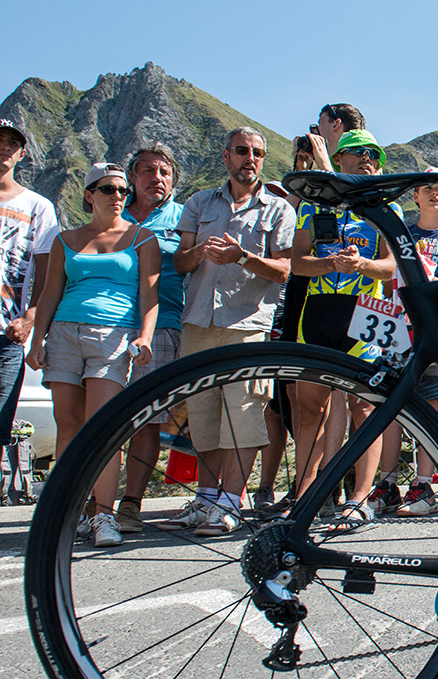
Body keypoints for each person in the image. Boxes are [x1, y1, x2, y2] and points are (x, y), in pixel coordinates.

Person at [162, 127, 296, 536]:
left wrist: (243, 257)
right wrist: (197, 252)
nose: (249, 159)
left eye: (257, 153)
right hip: (198, 323)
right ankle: (205, 499)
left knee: (244, 415)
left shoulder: (278, 210)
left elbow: (285, 270)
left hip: (247, 325)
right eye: (242, 151)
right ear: (226, 156)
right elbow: (180, 264)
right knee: (202, 415)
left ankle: (230, 503)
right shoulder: (199, 202)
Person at [27, 163, 159, 547]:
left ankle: (104, 516)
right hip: (65, 333)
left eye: (122, 190)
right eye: (107, 189)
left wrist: (145, 337)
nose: (117, 196)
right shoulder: (65, 240)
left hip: (113, 335)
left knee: (103, 428)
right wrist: (38, 341)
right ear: (89, 195)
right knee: (67, 426)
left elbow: (148, 295)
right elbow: (49, 293)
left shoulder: (142, 239)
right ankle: (69, 512)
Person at [290, 129, 398, 530]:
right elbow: (298, 263)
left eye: (374, 153)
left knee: (364, 406)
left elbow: (391, 267)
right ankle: (305, 496)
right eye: (357, 152)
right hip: (318, 309)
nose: (367, 158)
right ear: (339, 160)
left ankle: (360, 497)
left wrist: (361, 266)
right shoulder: (313, 207)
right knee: (310, 409)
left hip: (365, 311)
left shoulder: (385, 208)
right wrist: (329, 264)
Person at [364, 168, 438, 516]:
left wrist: (429, 277)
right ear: (414, 195)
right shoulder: (400, 233)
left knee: (430, 408)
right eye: (426, 188)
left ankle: (423, 486)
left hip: (435, 331)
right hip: (396, 329)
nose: (432, 194)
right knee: (391, 408)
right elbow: (384, 283)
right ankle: (387, 483)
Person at [114, 144, 185, 534]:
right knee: (105, 419)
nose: (156, 178)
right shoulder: (113, 214)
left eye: (164, 172)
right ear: (132, 178)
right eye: (148, 171)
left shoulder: (183, 216)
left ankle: (131, 503)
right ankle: (96, 501)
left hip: (163, 325)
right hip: (110, 326)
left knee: (145, 420)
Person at [0, 119, 57, 447]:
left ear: (21, 153)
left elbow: (48, 271)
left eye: (12, 143)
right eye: (0, 141)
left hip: (8, 335)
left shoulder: (38, 207)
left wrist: (30, 317)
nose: (4, 148)